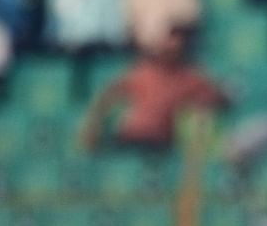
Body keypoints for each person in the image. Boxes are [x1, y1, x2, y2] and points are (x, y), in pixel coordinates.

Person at [80, 24, 228, 152]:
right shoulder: (143, 72)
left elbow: (218, 98)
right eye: (167, 46)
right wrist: (94, 122)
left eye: (176, 48)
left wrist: (204, 104)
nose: (170, 51)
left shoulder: (190, 78)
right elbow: (108, 93)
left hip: (158, 142)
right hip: (128, 136)